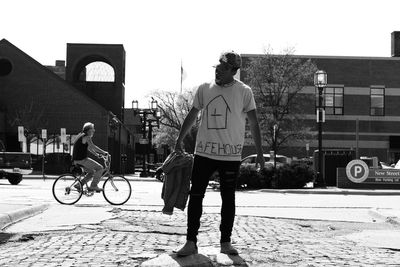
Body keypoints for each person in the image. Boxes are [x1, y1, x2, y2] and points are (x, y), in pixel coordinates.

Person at [175, 51, 265, 256]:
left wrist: (259, 153)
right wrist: (179, 139)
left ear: (233, 71)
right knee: (196, 195)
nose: (218, 70)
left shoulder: (244, 92)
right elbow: (192, 114)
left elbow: (254, 123)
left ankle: (225, 242)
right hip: (204, 153)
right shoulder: (205, 89)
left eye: (223, 68)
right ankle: (191, 242)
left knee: (228, 198)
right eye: (218, 66)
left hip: (230, 155)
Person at [72, 122, 109, 192]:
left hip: (77, 160)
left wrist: (96, 154)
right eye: (93, 129)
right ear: (88, 130)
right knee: (100, 168)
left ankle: (79, 185)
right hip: (81, 160)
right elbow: (93, 146)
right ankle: (93, 186)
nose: (94, 130)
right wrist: (104, 152)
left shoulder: (81, 135)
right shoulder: (86, 137)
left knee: (92, 172)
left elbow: (89, 148)